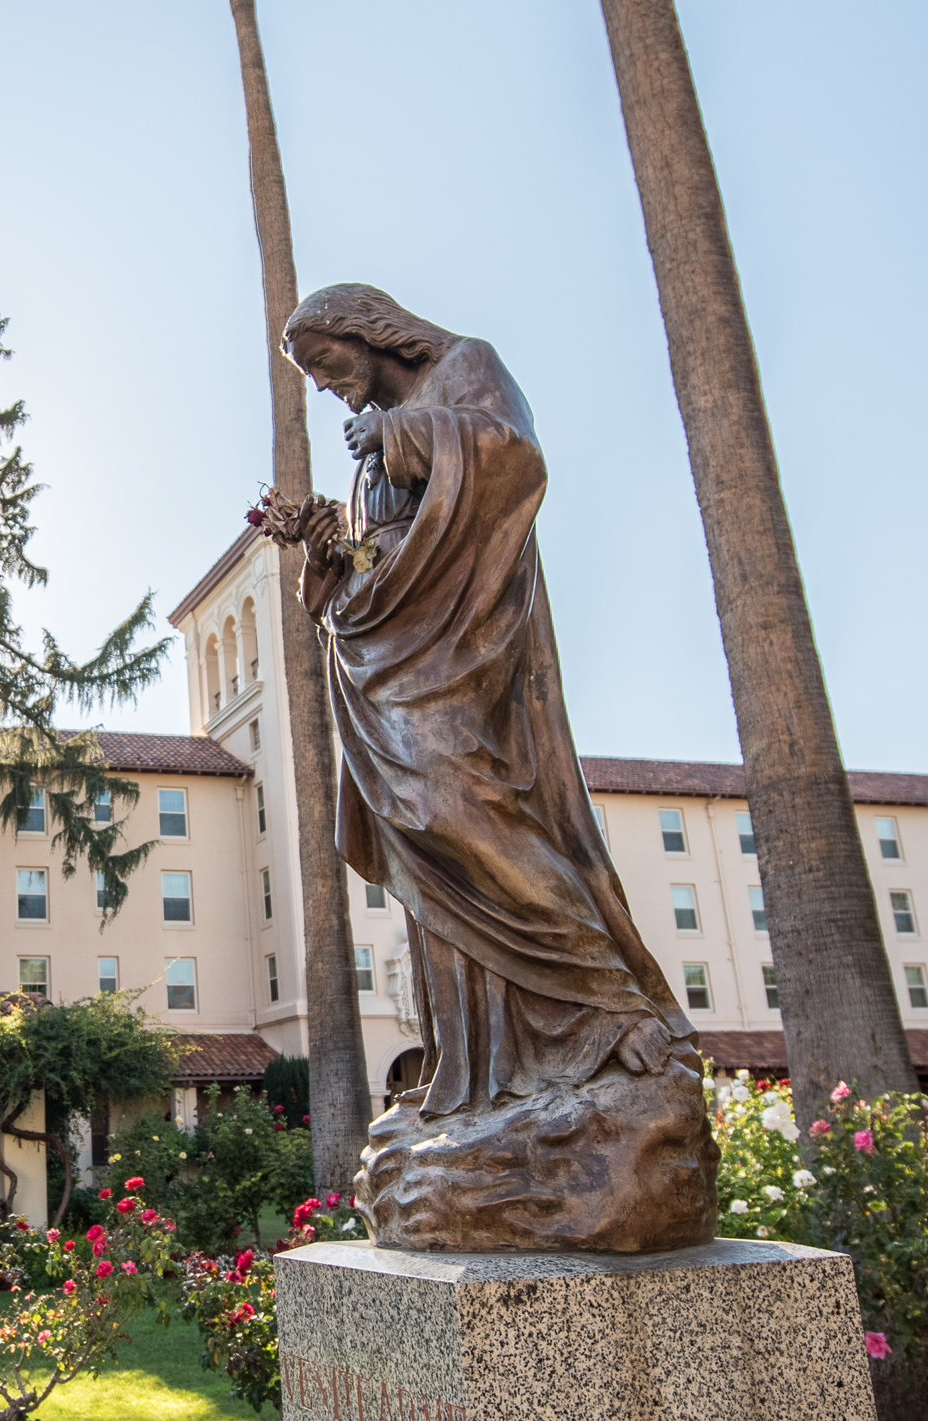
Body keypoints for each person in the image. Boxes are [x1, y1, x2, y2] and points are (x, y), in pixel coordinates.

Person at [281, 283, 695, 1121]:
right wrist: (327, 559)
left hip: (465, 652)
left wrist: (402, 435)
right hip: (387, 665)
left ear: (367, 334)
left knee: (459, 809)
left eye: (325, 366)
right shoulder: (369, 453)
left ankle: (606, 1002)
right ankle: (479, 1067)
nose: (325, 388)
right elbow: (369, 576)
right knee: (427, 860)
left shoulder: (465, 366)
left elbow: (513, 458)